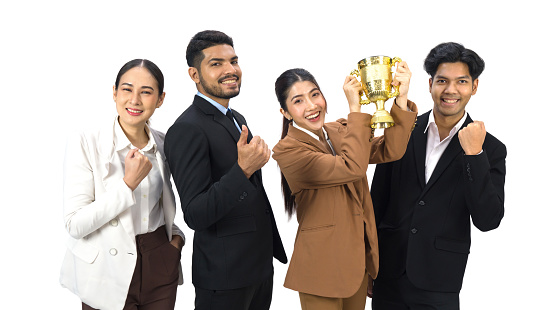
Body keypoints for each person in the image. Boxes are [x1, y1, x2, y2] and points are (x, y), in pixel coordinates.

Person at [370, 42, 507, 309]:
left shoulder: (490, 148)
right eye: (442, 81)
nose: (451, 90)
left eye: (462, 82)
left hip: (439, 280)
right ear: (430, 83)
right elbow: (376, 202)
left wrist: (474, 156)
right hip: (388, 274)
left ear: (474, 87)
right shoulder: (402, 131)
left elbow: (488, 219)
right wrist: (368, 265)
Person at [272, 66, 418, 310]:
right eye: (298, 101)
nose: (311, 105)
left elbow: (390, 150)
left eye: (314, 94)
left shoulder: (340, 131)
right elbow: (352, 167)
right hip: (320, 271)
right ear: (285, 112)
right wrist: (355, 110)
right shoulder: (287, 150)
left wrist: (400, 99)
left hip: (356, 265)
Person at [164, 30, 287, 310]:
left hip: (257, 269)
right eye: (216, 63)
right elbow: (195, 213)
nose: (231, 70)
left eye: (234, 61)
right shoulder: (187, 129)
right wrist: (243, 170)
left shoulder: (236, 117)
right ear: (194, 75)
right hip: (224, 277)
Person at [60, 59, 185, 310]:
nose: (135, 100)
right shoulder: (86, 142)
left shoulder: (163, 143)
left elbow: (168, 203)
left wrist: (175, 242)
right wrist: (127, 184)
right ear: (114, 92)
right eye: (127, 89)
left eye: (146, 92)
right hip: (105, 270)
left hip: (159, 260)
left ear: (160, 99)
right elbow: (75, 224)